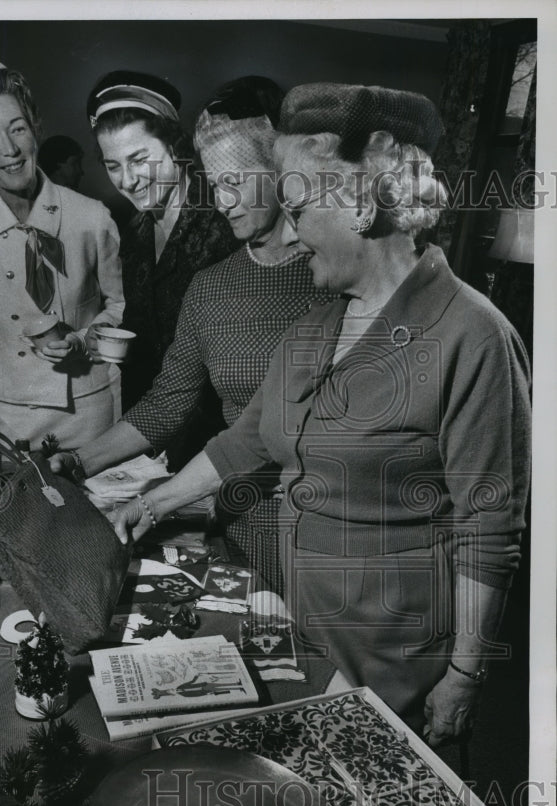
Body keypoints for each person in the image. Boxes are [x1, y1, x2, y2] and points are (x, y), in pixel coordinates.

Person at [109, 82, 532, 742]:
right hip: (303, 634)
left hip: (398, 662)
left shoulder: (471, 335)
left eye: (300, 209)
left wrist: (464, 675)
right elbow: (248, 437)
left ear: (360, 204)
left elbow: (489, 525)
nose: (294, 234)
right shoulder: (314, 326)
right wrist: (156, 501)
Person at [53, 76, 336, 593]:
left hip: (331, 532)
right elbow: (169, 402)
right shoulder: (211, 286)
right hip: (238, 522)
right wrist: (78, 461)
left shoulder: (333, 275)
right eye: (215, 183)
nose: (223, 201)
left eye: (235, 182)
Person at [0, 59, 124, 452]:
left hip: (90, 417)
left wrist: (84, 340)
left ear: (34, 128)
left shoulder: (92, 216)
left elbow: (120, 308)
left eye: (18, 128)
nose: (11, 149)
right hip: (8, 423)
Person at [86, 70, 239, 415]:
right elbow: (150, 332)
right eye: (113, 166)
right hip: (147, 429)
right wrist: (107, 334)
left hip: (216, 432)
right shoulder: (134, 233)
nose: (127, 180)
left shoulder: (226, 217)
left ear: (174, 145)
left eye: (139, 159)